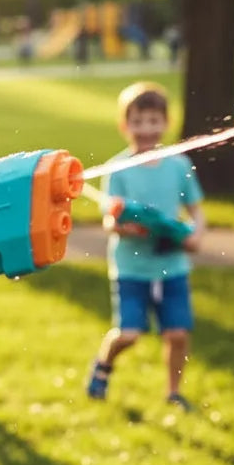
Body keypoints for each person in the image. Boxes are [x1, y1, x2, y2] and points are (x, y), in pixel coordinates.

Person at [86, 81, 206, 411]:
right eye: (137, 122)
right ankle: (103, 364)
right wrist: (127, 228)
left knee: (178, 334)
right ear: (124, 125)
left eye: (153, 121)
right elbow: (110, 220)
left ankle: (173, 392)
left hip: (173, 267)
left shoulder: (179, 165)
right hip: (132, 269)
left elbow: (196, 210)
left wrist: (195, 236)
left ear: (166, 123)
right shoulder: (118, 169)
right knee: (129, 334)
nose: (146, 129)